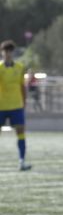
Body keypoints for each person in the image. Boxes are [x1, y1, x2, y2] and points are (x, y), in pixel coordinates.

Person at [0, 40, 31, 171]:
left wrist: (24, 101)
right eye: (5, 51)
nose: (8, 54)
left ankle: (22, 161)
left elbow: (22, 86)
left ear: (13, 53)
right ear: (2, 53)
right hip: (1, 106)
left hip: (16, 105)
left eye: (10, 51)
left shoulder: (19, 67)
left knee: (21, 132)